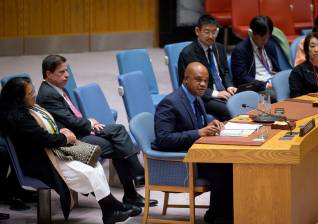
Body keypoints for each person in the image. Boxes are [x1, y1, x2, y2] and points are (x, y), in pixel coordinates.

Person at [0, 77, 143, 224]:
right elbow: (44, 138)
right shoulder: (20, 119)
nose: (34, 95)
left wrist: (61, 131)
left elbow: (48, 128)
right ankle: (113, 209)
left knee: (94, 165)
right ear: (18, 98)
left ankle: (111, 209)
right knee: (88, 171)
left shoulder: (30, 108)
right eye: (30, 93)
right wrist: (64, 138)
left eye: (33, 91)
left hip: (52, 152)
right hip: (41, 162)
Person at [36, 55, 158, 208]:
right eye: (61, 72)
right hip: (71, 141)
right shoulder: (48, 95)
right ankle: (133, 187)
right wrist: (89, 123)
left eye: (66, 70)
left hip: (78, 131)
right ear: (48, 74)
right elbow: (70, 121)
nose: (67, 75)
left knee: (118, 130)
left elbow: (70, 117)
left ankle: (135, 182)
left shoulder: (57, 88)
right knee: (117, 143)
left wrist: (89, 122)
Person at [153, 62, 233, 223]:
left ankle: (217, 214)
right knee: (226, 170)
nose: (203, 84)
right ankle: (219, 218)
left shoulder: (196, 97)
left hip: (198, 153)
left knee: (233, 163)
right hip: (182, 162)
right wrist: (198, 132)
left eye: (205, 80)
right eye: (198, 80)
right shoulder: (170, 103)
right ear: (185, 79)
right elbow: (163, 138)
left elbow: (195, 126)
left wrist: (209, 126)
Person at [178, 15, 237, 121]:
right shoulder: (188, 53)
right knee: (230, 109)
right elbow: (189, 86)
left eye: (214, 32)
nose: (211, 36)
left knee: (245, 101)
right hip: (201, 97)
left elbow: (225, 71)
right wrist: (216, 94)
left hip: (223, 92)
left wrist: (229, 86)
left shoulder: (219, 48)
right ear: (197, 31)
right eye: (207, 32)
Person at [231, 15, 280, 101]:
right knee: (275, 95)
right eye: (262, 38)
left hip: (273, 82)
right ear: (252, 33)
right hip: (257, 88)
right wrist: (264, 85)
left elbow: (276, 68)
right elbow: (241, 78)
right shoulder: (240, 50)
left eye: (267, 37)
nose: (265, 41)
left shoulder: (270, 45)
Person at [289, 32, 318, 97]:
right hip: (308, 105)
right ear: (307, 49)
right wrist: (311, 96)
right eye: (312, 46)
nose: (316, 50)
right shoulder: (298, 71)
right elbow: (294, 96)